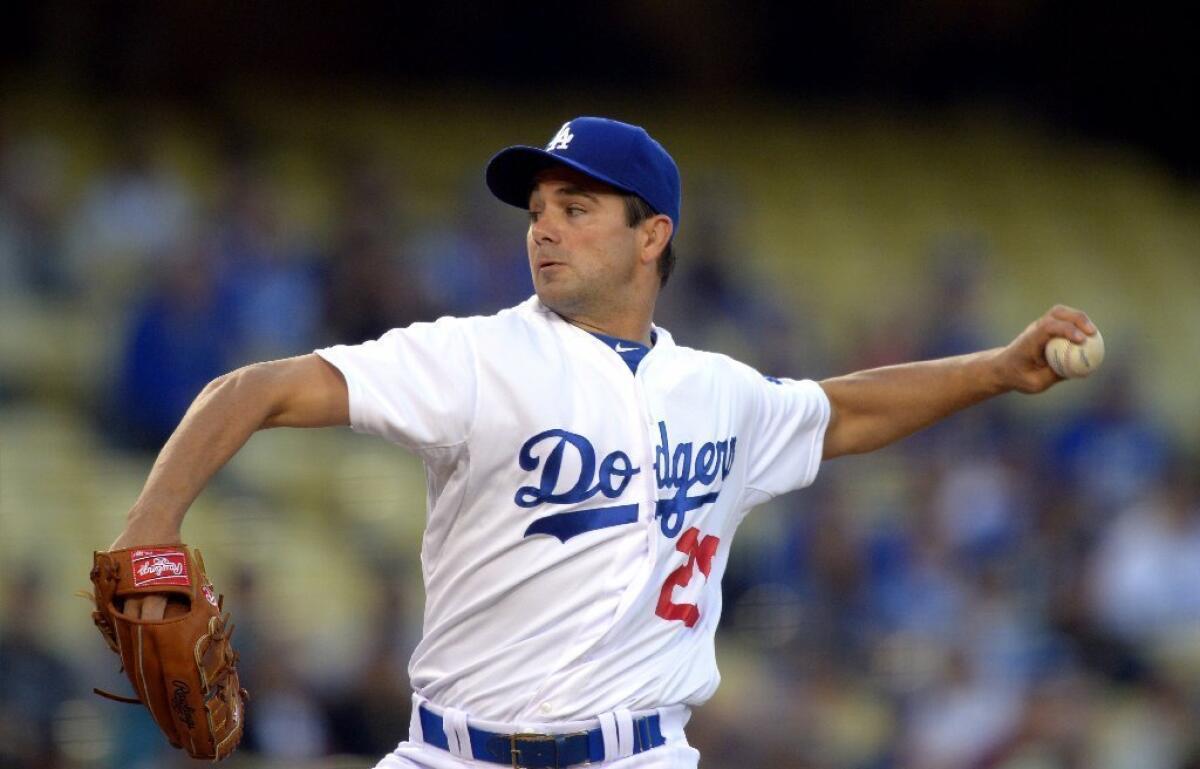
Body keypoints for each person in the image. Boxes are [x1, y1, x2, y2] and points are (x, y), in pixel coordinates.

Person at [108, 116, 1098, 769]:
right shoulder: (471, 358)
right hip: (453, 753)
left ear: (651, 235)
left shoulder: (718, 391)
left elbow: (844, 412)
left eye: (576, 210)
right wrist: (152, 525)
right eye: (538, 211)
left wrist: (998, 371)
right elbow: (255, 389)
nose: (545, 229)